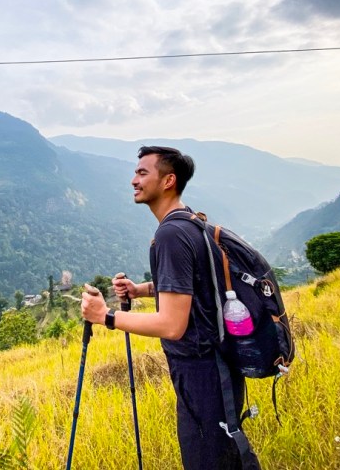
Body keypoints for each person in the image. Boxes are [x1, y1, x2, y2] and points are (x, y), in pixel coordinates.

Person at [81, 145, 245, 469]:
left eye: (143, 173)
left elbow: (172, 325)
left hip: (200, 373)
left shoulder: (170, 234)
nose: (134, 180)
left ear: (168, 181)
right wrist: (140, 290)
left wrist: (106, 316)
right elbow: (195, 285)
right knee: (226, 456)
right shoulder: (190, 222)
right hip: (217, 367)